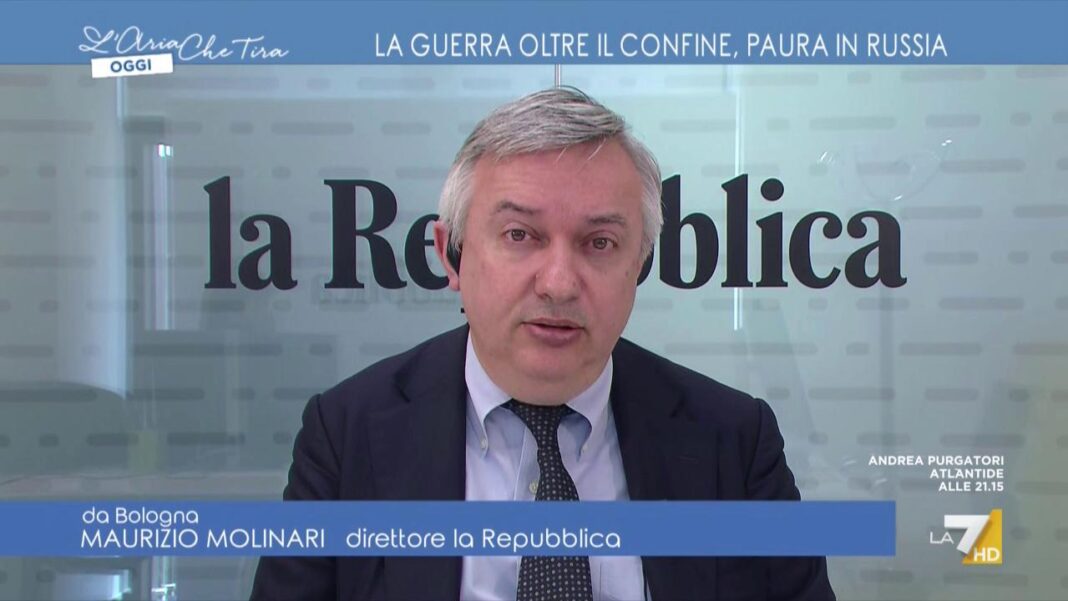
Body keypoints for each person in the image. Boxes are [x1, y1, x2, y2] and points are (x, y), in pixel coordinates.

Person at [251, 87, 835, 601]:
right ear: (450, 254)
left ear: (639, 265)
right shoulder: (348, 433)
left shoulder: (734, 441)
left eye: (599, 243)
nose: (558, 283)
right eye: (519, 235)